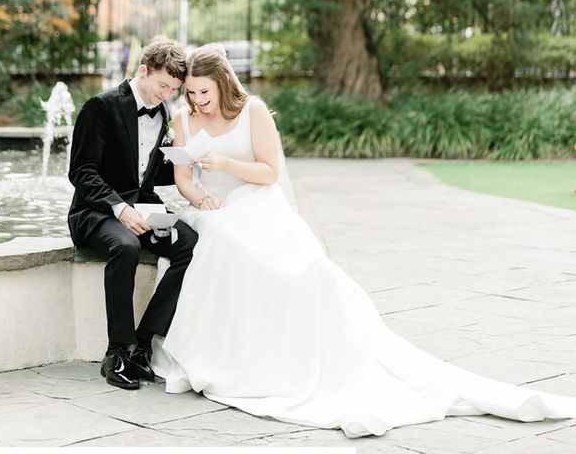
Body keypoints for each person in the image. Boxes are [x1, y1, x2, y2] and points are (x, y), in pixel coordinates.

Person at [151, 44, 576, 439]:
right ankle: (233, 354)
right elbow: (185, 178)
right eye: (190, 93)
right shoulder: (184, 120)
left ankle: (305, 355)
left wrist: (225, 162)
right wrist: (202, 197)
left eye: (203, 92)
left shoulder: (253, 111)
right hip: (215, 209)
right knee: (225, 241)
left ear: (223, 83)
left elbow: (270, 173)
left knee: (309, 273)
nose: (196, 101)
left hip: (258, 202)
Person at [68, 37, 198, 391]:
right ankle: (116, 354)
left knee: (190, 244)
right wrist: (119, 207)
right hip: (94, 211)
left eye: (173, 89)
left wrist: (194, 165)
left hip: (142, 205)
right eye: (161, 85)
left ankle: (143, 344)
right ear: (143, 71)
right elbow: (81, 171)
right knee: (125, 246)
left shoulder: (164, 114)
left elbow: (147, 173)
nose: (165, 95)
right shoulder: (101, 106)